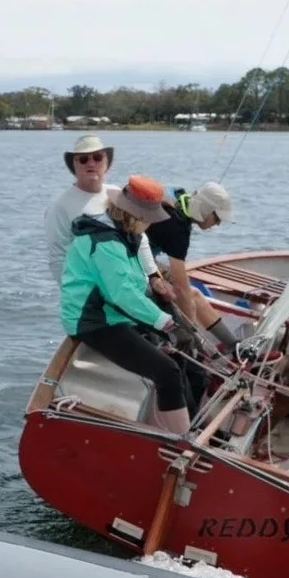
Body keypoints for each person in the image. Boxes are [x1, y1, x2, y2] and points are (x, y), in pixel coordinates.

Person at [61, 175, 190, 435]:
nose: (150, 226)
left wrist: (155, 284)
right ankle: (183, 440)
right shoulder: (106, 242)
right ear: (136, 216)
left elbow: (131, 285)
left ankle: (192, 422)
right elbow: (122, 294)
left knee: (178, 356)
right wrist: (163, 321)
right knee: (167, 372)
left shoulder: (123, 235)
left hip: (115, 316)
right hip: (95, 322)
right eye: (148, 220)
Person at [44, 133, 170, 300]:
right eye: (83, 159)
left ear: (107, 162)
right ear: (74, 164)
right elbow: (57, 258)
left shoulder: (118, 195)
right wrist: (81, 297)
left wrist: (154, 276)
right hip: (95, 296)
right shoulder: (59, 207)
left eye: (97, 157)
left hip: (133, 288)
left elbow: (139, 238)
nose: (91, 163)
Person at [143, 180, 242, 346]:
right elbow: (180, 287)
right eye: (217, 217)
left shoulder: (177, 194)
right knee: (187, 295)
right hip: (134, 263)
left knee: (193, 294)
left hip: (144, 258)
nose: (218, 223)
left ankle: (234, 346)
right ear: (205, 209)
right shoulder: (177, 228)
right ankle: (197, 345)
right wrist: (192, 329)